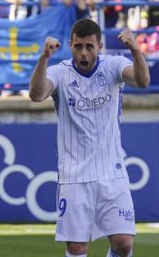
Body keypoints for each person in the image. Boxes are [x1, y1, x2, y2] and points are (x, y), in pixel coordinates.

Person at [29, 18, 150, 257]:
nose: (83, 53)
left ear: (100, 47)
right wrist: (43, 58)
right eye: (78, 46)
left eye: (89, 46)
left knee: (124, 243)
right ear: (71, 45)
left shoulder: (113, 66)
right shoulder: (60, 72)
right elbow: (36, 94)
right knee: (76, 247)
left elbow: (142, 80)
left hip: (112, 173)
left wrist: (135, 49)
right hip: (74, 176)